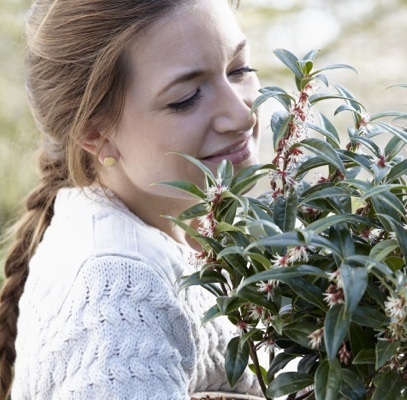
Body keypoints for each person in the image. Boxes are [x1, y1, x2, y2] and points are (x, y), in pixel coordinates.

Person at [0, 0, 264, 398]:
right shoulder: (117, 292)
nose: (242, 115)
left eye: (239, 69)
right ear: (96, 133)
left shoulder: (187, 222)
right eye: (187, 97)